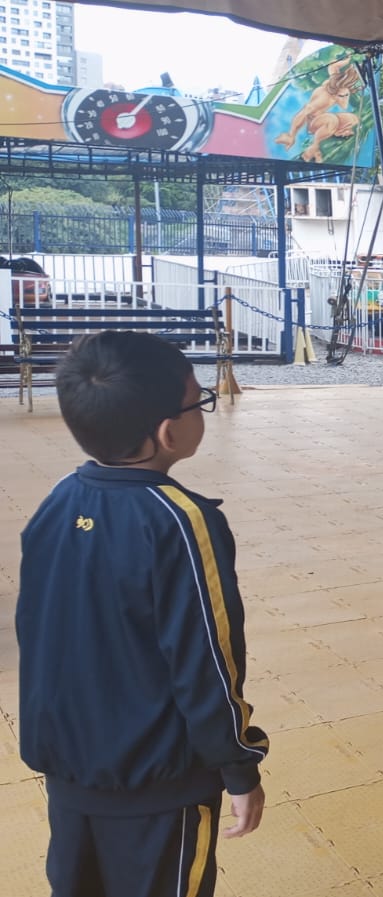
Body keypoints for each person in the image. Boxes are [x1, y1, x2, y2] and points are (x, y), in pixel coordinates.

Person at [15, 331, 268, 897]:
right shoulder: (182, 521)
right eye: (200, 401)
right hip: (162, 785)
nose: (205, 409)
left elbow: (37, 630)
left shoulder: (58, 499)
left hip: (70, 772)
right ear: (168, 432)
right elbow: (208, 661)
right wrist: (238, 765)